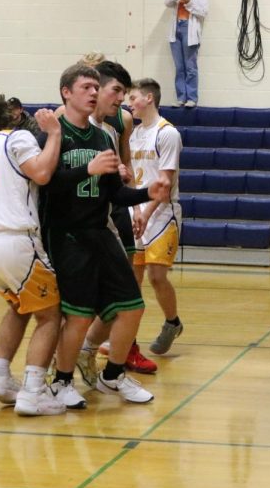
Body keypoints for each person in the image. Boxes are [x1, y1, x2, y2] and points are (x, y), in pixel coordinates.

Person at [42, 63, 170, 410]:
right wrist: (87, 169)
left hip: (100, 231)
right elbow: (44, 183)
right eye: (86, 88)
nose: (94, 93)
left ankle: (111, 375)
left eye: (95, 88)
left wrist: (148, 193)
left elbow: (115, 192)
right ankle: (62, 382)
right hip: (65, 234)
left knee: (132, 307)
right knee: (79, 314)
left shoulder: (104, 136)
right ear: (66, 92)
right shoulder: (55, 133)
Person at [0, 90, 66, 416]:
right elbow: (42, 172)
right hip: (14, 240)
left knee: (20, 307)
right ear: (6, 113)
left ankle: (1, 377)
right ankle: (34, 392)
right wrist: (55, 135)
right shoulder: (16, 139)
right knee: (50, 314)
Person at [60, 60, 158, 379]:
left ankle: (90, 356)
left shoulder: (116, 127)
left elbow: (122, 174)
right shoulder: (61, 125)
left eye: (125, 93)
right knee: (71, 309)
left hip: (107, 218)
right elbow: (45, 178)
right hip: (67, 228)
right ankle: (53, 375)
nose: (122, 99)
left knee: (124, 298)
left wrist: (139, 203)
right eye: (117, 91)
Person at [128, 78, 185, 355]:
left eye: (133, 98)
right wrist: (136, 210)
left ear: (149, 98)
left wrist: (146, 212)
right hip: (137, 211)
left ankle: (172, 322)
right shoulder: (133, 133)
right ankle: (128, 340)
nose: (129, 104)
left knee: (157, 276)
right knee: (131, 279)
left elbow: (164, 182)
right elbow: (129, 178)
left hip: (162, 213)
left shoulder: (167, 133)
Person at [163, 0, 208, 108]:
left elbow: (203, 12)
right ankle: (181, 98)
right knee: (179, 67)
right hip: (176, 31)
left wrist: (188, 1)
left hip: (190, 31)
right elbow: (167, 2)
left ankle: (192, 98)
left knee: (190, 67)